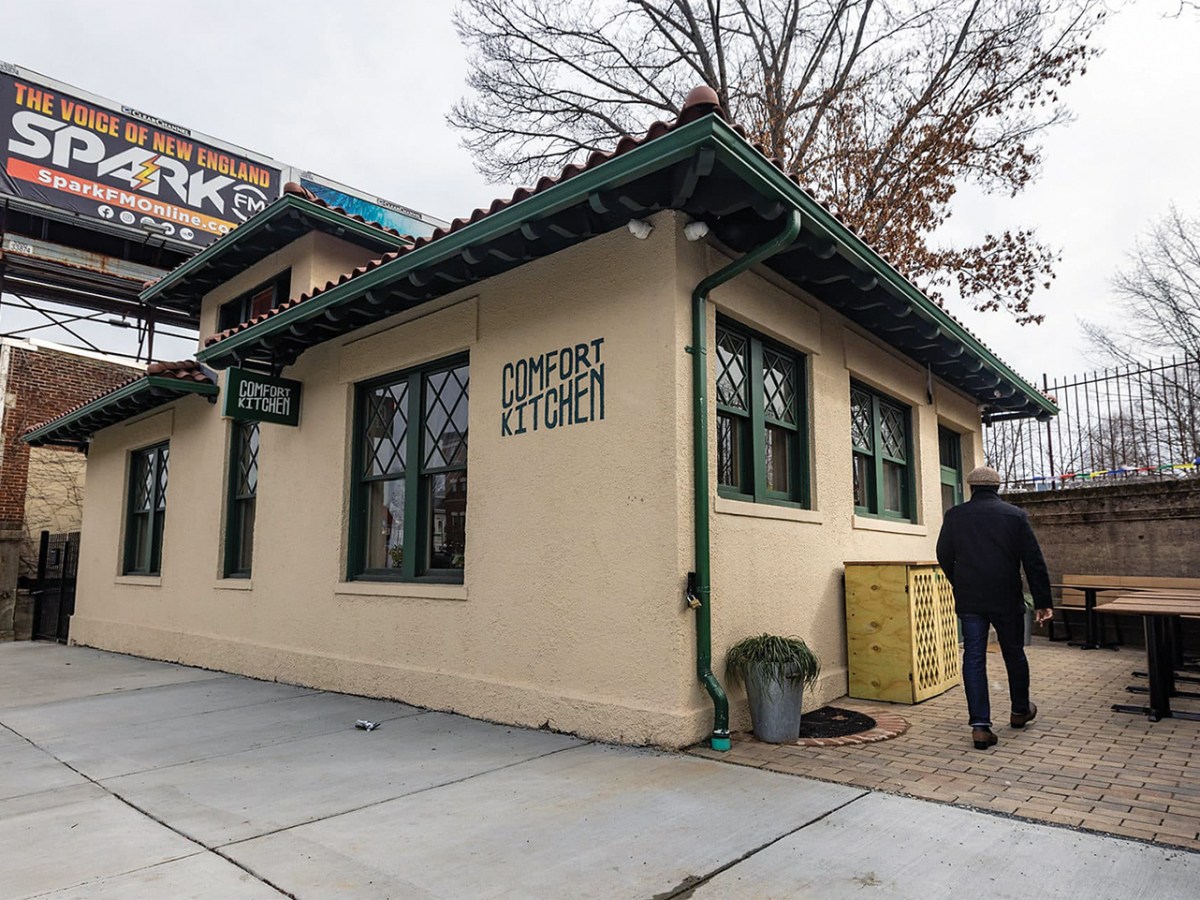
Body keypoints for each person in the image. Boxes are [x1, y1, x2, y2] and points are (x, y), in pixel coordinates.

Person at [936, 465, 1053, 751]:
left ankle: (980, 726)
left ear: (971, 487)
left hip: (971, 598)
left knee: (974, 657)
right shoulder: (1015, 516)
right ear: (997, 487)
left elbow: (943, 554)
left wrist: (959, 582)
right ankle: (1019, 710)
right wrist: (1043, 602)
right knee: (1014, 653)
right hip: (1006, 598)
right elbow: (1033, 561)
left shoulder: (955, 516)